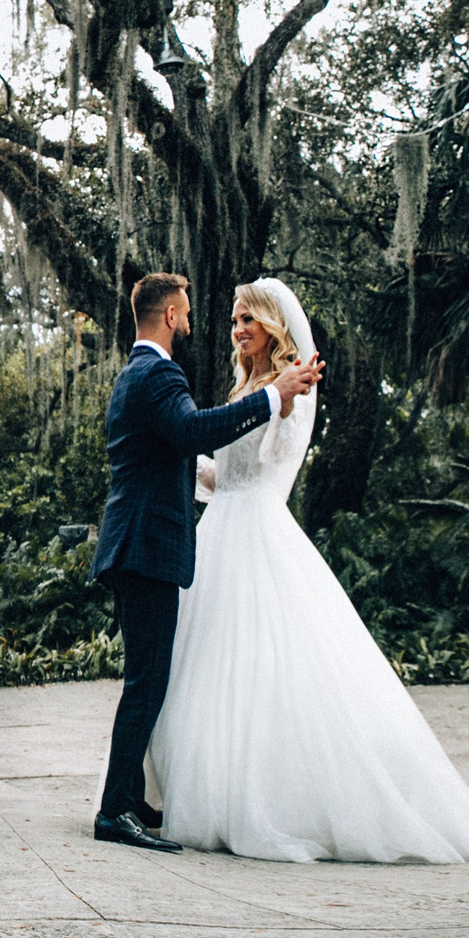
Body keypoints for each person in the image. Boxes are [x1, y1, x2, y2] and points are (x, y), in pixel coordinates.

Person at [143, 278, 469, 864]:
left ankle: (272, 802)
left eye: (248, 321)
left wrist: (288, 400)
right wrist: (176, 460)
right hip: (220, 535)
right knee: (204, 666)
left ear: (273, 328)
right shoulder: (247, 386)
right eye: (234, 321)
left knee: (263, 667)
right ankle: (199, 792)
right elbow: (222, 475)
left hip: (255, 535)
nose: (237, 331)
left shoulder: (287, 392)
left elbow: (268, 465)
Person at [89, 271, 322, 852]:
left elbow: (185, 453)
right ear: (170, 315)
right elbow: (193, 429)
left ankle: (133, 800)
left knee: (152, 676)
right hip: (146, 546)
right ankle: (115, 811)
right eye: (187, 311)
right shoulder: (158, 372)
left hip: (141, 541)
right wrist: (273, 395)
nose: (196, 321)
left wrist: (274, 400)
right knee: (147, 680)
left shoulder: (134, 374)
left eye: (247, 318)